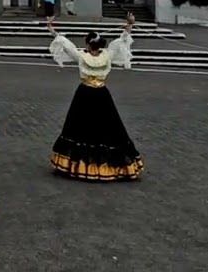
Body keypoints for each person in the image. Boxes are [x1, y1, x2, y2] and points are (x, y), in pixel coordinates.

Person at [47, 25, 143, 181]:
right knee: (108, 127)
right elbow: (120, 43)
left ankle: (78, 164)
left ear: (87, 44)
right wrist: (128, 27)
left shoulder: (82, 57)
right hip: (102, 95)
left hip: (85, 94)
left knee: (79, 127)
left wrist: (53, 31)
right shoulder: (107, 56)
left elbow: (66, 45)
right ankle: (110, 164)